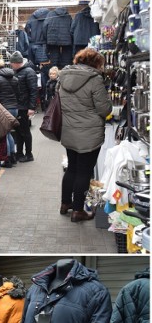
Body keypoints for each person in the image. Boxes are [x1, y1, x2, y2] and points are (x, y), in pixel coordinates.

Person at [58, 48, 112, 222]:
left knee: (72, 168)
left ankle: (65, 204)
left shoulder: (63, 77)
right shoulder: (95, 80)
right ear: (96, 63)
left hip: (69, 130)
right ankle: (78, 210)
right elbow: (104, 109)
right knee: (84, 171)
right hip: (89, 133)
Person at [0, 58, 20, 168]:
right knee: (8, 133)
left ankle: (6, 160)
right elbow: (18, 93)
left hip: (3, 109)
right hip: (14, 109)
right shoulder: (14, 78)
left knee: (3, 135)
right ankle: (12, 156)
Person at [9, 51, 38, 162]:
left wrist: (31, 107)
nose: (11, 65)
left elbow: (33, 90)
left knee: (25, 131)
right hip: (18, 106)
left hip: (24, 107)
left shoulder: (29, 72)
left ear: (16, 62)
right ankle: (20, 153)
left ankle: (29, 154)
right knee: (18, 131)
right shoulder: (16, 72)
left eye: (12, 63)